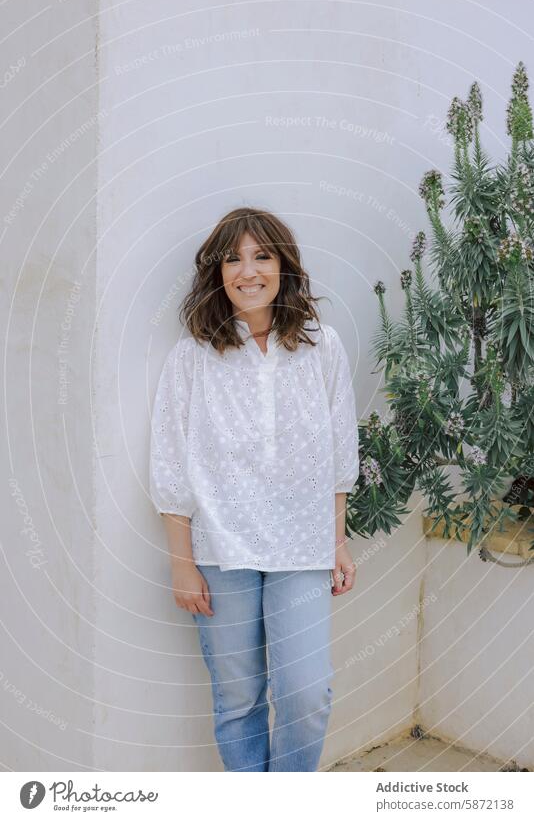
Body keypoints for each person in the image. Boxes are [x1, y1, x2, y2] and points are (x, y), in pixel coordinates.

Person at [149, 207, 360, 772]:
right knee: (238, 700)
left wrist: (336, 542)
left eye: (262, 255)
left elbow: (340, 454)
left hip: (302, 547)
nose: (248, 270)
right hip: (220, 550)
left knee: (305, 694)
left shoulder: (322, 346)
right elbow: (171, 463)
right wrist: (181, 562)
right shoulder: (193, 356)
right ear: (216, 273)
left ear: (284, 265)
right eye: (232, 258)